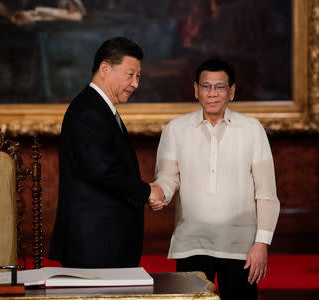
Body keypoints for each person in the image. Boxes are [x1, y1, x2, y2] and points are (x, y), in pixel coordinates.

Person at [149, 58, 280, 300]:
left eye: (219, 87)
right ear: (196, 90)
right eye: (206, 86)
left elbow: (267, 194)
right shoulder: (175, 129)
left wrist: (261, 243)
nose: (212, 94)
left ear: (232, 91)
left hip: (241, 247)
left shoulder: (252, 129)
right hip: (191, 242)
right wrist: (161, 195)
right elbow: (167, 177)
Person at [49, 37, 164, 268]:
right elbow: (102, 172)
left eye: (138, 77)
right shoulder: (89, 111)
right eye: (130, 75)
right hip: (94, 245)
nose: (135, 84)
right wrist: (146, 192)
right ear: (105, 68)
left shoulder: (100, 108)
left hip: (105, 242)